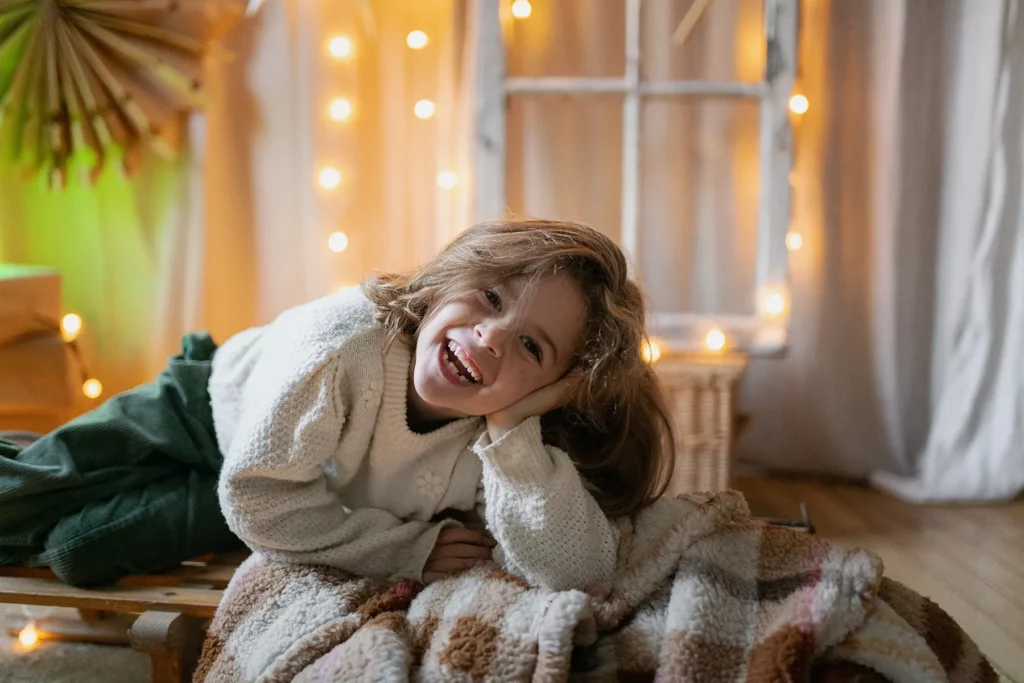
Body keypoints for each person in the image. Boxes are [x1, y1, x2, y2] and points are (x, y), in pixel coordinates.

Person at [0, 219, 675, 591]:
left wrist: (512, 430)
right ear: (445, 283)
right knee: (34, 484)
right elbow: (261, 496)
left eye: (531, 345)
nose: (491, 338)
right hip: (206, 408)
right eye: (490, 298)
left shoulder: (504, 431)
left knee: (78, 550)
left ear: (553, 383)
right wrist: (401, 547)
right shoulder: (346, 340)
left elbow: (578, 569)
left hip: (271, 482)